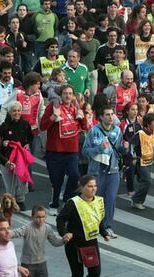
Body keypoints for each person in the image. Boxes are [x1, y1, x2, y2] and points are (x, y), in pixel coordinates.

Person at [40, 85, 87, 216]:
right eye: (65, 93)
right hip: (55, 150)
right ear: (61, 95)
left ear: (73, 96)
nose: (67, 96)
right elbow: (42, 126)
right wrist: (53, 118)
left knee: (74, 175)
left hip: (72, 150)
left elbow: (84, 126)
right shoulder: (53, 107)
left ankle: (66, 197)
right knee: (57, 180)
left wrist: (82, 117)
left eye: (70, 94)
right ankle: (54, 203)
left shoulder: (75, 108)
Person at [82, 105, 127, 238]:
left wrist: (125, 148)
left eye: (112, 114)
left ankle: (107, 226)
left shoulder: (118, 131)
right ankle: (93, 225)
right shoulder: (93, 131)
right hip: (97, 171)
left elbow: (118, 150)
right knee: (95, 199)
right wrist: (99, 148)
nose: (110, 117)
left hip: (112, 170)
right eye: (107, 114)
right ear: (101, 117)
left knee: (111, 199)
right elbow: (85, 151)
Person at [57, 175, 111, 277]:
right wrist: (64, 233)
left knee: (95, 273)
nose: (93, 188)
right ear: (81, 187)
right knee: (77, 274)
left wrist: (104, 233)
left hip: (91, 242)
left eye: (95, 186)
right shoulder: (73, 203)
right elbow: (60, 219)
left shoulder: (99, 201)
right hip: (74, 244)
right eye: (90, 186)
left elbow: (98, 219)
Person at [0, 101, 34, 211]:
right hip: (7, 157)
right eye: (14, 111)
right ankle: (10, 201)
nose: (17, 113)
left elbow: (30, 137)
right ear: (9, 112)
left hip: (21, 157)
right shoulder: (4, 125)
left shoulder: (25, 124)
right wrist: (3, 143)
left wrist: (28, 144)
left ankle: (20, 200)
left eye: (19, 110)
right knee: (9, 183)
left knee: (22, 181)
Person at [11, 205, 64, 276]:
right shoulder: (27, 228)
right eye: (38, 217)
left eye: (43, 217)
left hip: (42, 263)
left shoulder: (47, 228)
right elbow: (15, 232)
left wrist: (64, 240)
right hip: (28, 263)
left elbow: (55, 242)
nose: (41, 219)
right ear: (32, 217)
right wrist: (5, 232)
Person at [130, 113, 154, 209]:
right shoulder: (140, 134)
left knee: (143, 181)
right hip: (140, 162)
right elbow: (131, 146)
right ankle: (137, 200)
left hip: (149, 161)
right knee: (147, 181)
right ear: (147, 124)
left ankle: (136, 199)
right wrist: (134, 158)